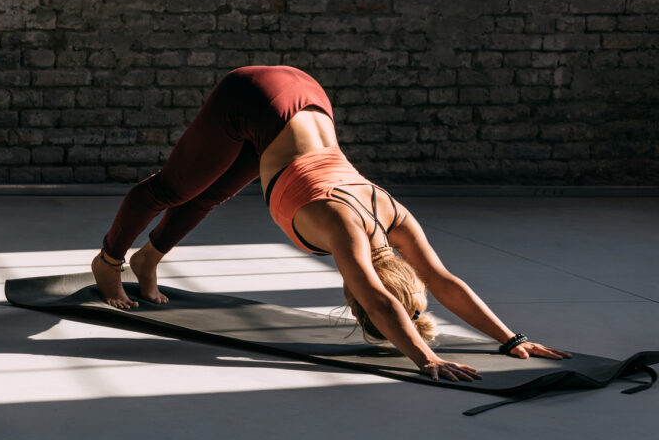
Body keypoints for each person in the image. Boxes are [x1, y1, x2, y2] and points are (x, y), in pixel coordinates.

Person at [91, 65, 570, 381]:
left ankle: (148, 258)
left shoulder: (391, 213)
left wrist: (513, 339)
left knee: (213, 191)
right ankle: (108, 261)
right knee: (173, 188)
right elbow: (382, 301)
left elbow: (442, 281)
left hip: (305, 95)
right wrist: (428, 361)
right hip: (256, 98)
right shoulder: (343, 231)